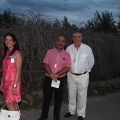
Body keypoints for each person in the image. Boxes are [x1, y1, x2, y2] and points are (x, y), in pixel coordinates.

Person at [37, 36, 71, 120]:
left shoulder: (67, 55)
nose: (60, 42)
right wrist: (51, 74)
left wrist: (57, 74)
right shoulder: (49, 52)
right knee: (47, 98)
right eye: (59, 40)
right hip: (49, 78)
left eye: (63, 41)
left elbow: (67, 67)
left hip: (60, 80)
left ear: (65, 43)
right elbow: (45, 63)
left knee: (58, 99)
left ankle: (56, 117)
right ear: (56, 42)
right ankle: (44, 116)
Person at [64, 32, 94, 120]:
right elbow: (65, 61)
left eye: (79, 37)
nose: (77, 39)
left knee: (82, 95)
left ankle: (81, 114)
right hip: (71, 75)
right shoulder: (68, 49)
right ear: (72, 38)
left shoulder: (87, 49)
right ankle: (72, 111)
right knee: (71, 94)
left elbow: (91, 62)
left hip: (83, 76)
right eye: (75, 37)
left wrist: (87, 71)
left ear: (82, 38)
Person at [0, 33, 22, 111]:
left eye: (10, 40)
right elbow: (4, 70)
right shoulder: (7, 54)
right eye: (6, 39)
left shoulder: (17, 54)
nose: (8, 41)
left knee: (9, 103)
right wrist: (2, 82)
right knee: (12, 104)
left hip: (13, 83)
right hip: (6, 83)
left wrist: (15, 86)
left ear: (14, 42)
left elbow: (18, 71)